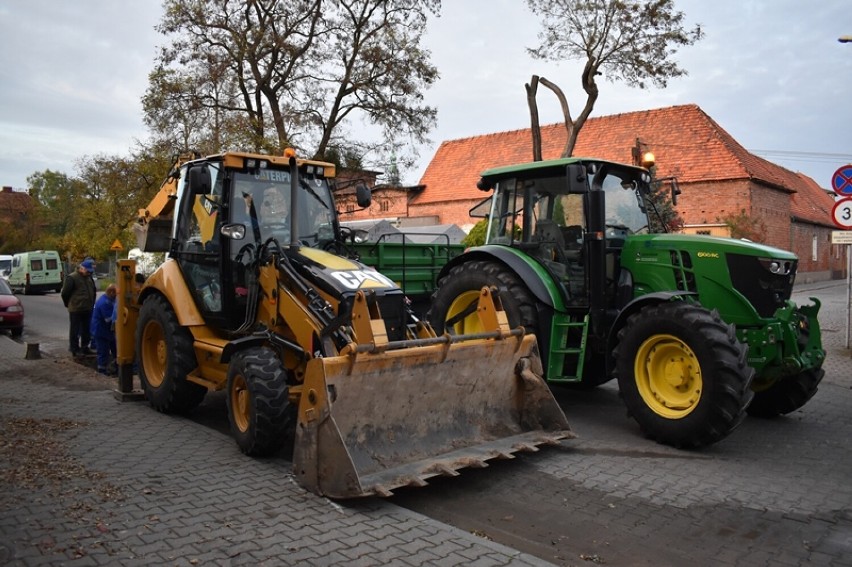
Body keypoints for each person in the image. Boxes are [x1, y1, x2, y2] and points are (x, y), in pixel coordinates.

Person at [61, 259, 97, 358]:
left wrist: (92, 303)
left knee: (86, 330)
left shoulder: (89, 278)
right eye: (87, 270)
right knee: (75, 330)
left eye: (90, 271)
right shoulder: (72, 278)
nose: (89, 272)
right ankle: (74, 349)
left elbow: (93, 291)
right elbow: (65, 293)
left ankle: (85, 347)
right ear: (82, 268)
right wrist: (69, 304)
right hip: (76, 309)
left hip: (87, 308)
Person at [90, 284, 117, 375]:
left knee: (115, 349)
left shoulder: (109, 300)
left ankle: (115, 367)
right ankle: (102, 371)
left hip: (107, 331)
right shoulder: (105, 303)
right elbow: (109, 319)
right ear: (112, 292)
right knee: (103, 352)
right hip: (101, 331)